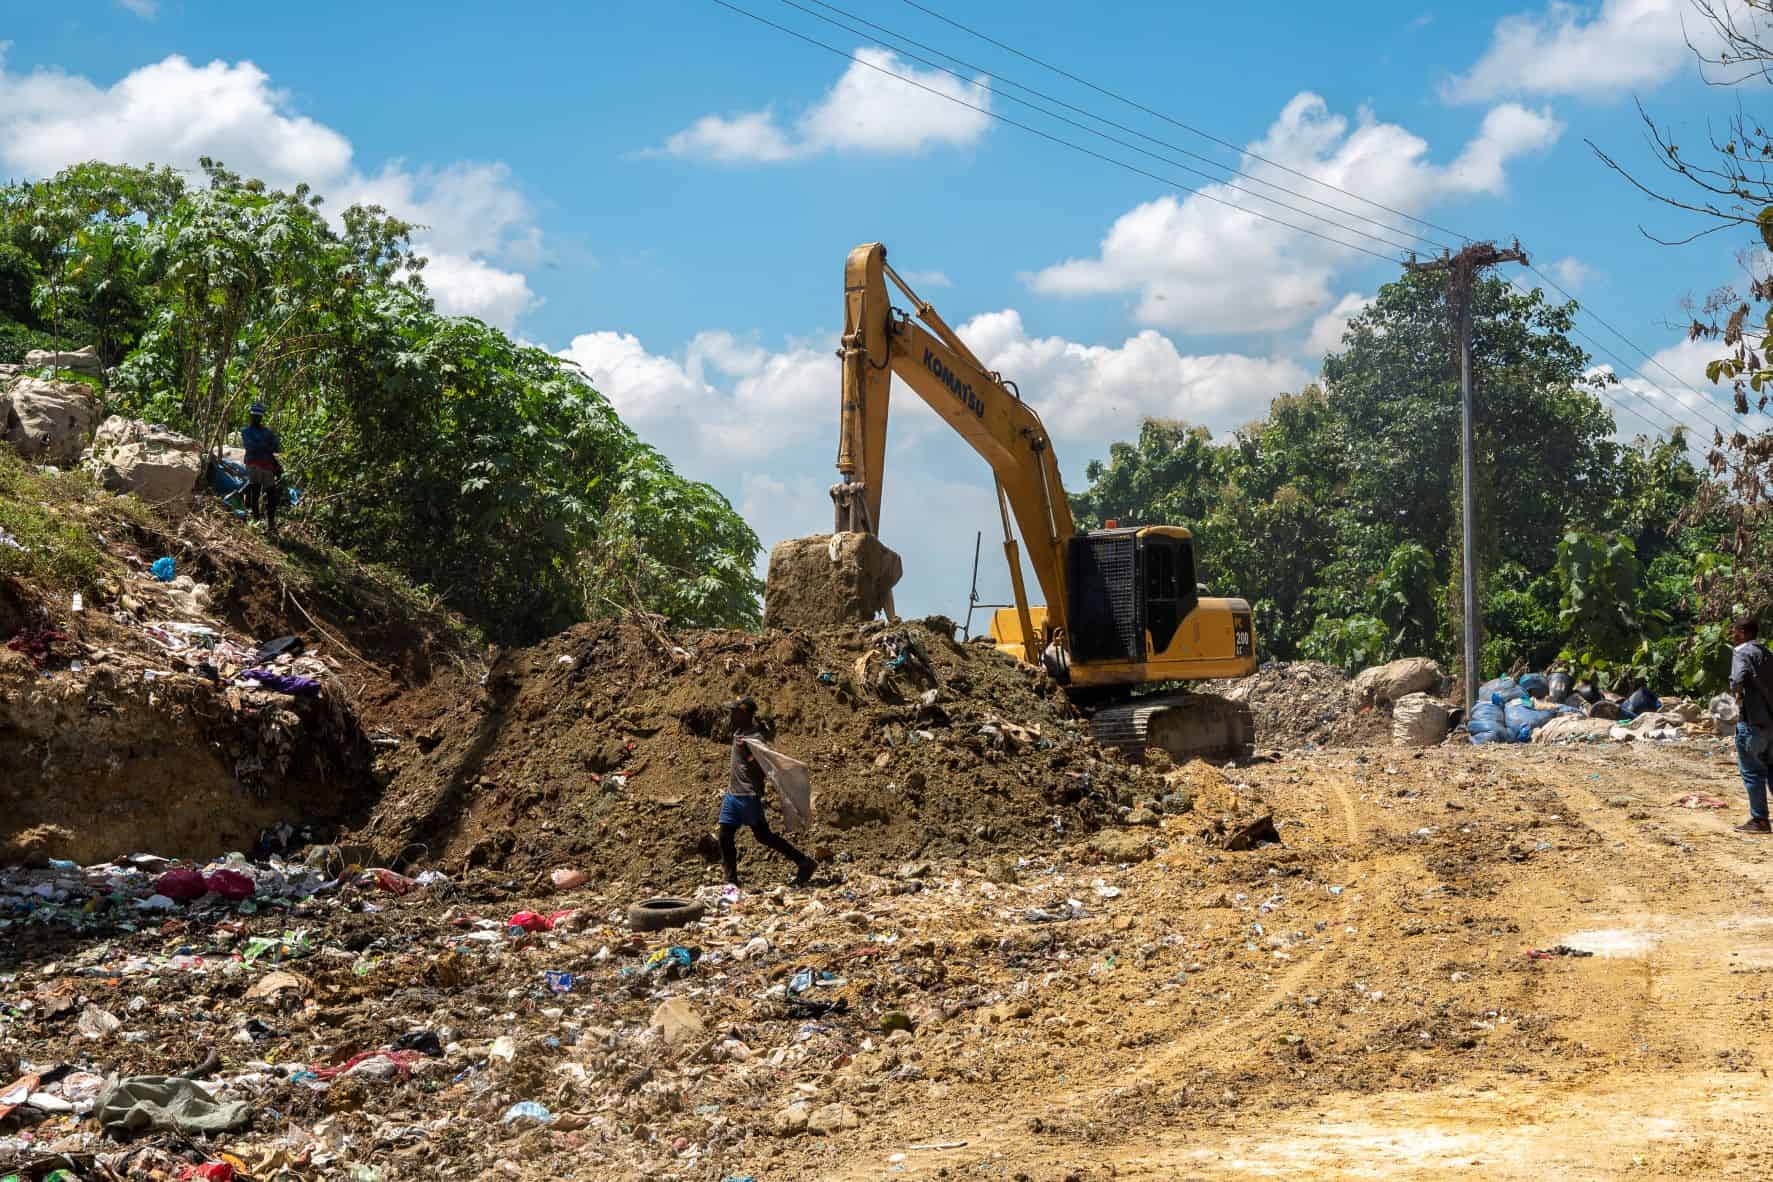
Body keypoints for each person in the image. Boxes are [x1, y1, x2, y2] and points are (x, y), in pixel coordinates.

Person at [718, 697, 816, 887]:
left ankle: (804, 862)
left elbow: (764, 767)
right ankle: (730, 882)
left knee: (763, 836)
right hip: (733, 794)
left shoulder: (755, 739)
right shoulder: (739, 733)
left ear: (744, 714)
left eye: (735, 712)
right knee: (724, 835)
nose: (731, 715)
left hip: (748, 794)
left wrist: (746, 752)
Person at [1729, 616, 1773, 834]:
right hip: (1771, 723)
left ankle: (1760, 820)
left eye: (1734, 631)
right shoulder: (1766, 653)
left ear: (1744, 633)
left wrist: (1736, 694)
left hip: (1752, 722)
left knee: (1753, 772)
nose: (1731, 635)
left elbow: (1737, 679)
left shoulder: (1741, 652)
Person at [240, 402, 282, 535]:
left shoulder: (261, 432)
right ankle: (257, 521)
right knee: (256, 491)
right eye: (254, 416)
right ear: (251, 416)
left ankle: (269, 523)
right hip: (256, 464)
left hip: (264, 465)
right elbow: (251, 447)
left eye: (258, 416)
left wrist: (262, 446)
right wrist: (266, 446)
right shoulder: (249, 432)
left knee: (270, 494)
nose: (256, 419)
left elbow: (276, 447)